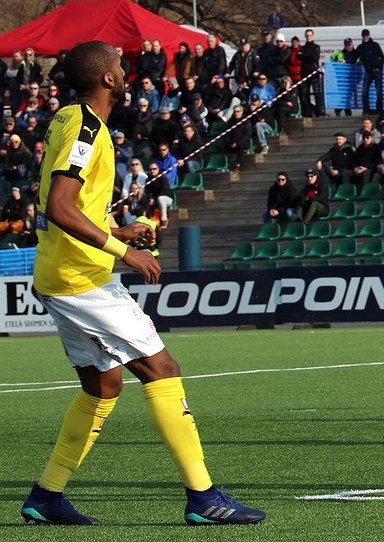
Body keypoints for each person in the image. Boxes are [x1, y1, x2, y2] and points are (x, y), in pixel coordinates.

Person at [20, 41, 264, 526]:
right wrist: (123, 251)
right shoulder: (87, 128)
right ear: (108, 79)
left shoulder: (70, 119)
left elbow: (70, 206)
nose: (125, 69)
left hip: (62, 273)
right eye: (119, 64)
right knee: (162, 369)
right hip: (80, 279)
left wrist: (117, 229)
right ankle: (204, 496)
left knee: (103, 388)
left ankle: (46, 497)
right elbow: (59, 207)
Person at [355, 28, 384, 113]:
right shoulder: (360, 47)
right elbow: (354, 57)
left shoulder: (375, 45)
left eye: (366, 35)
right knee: (364, 92)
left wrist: (379, 67)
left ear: (369, 36)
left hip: (376, 71)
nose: (365, 37)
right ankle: (366, 110)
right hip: (368, 72)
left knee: (379, 91)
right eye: (364, 36)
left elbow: (382, 57)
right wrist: (345, 60)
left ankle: (379, 109)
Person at [298, 29, 324, 117]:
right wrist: (307, 56)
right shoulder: (302, 48)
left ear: (313, 36)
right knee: (304, 95)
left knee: (317, 94)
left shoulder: (316, 47)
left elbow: (314, 57)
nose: (308, 37)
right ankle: (307, 114)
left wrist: (304, 56)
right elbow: (298, 56)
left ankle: (319, 113)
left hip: (314, 73)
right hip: (304, 74)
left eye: (310, 35)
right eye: (307, 35)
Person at [142, 161, 174, 228]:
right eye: (150, 169)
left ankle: (164, 219)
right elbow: (146, 191)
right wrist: (150, 198)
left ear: (158, 169)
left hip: (167, 198)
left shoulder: (163, 178)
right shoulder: (148, 179)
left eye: (154, 169)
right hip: (154, 199)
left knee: (161, 198)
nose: (152, 171)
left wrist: (154, 199)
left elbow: (165, 190)